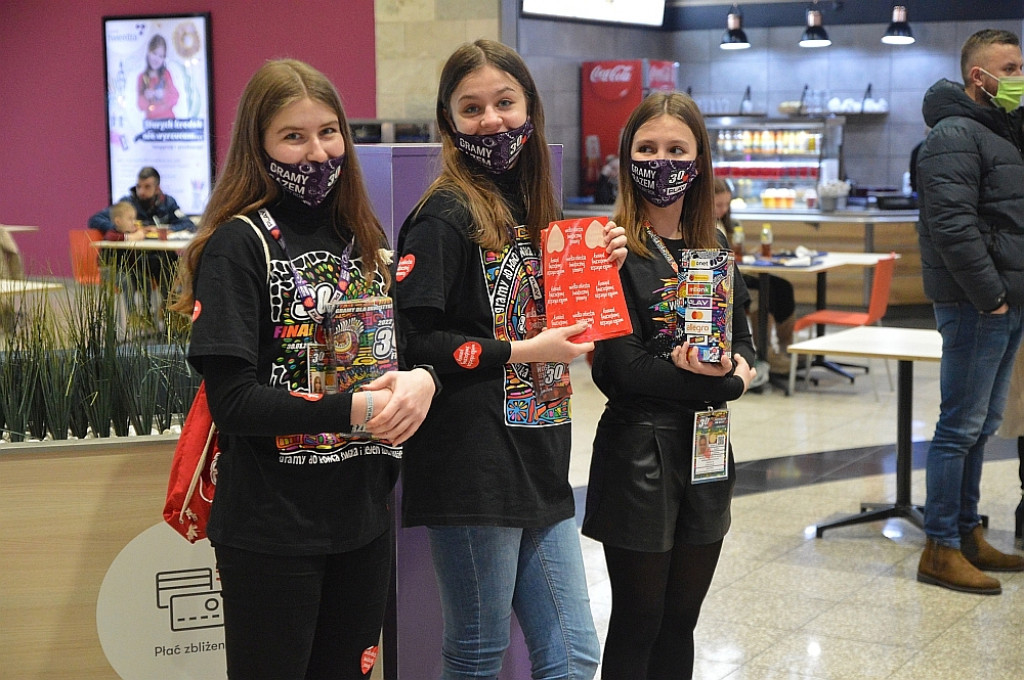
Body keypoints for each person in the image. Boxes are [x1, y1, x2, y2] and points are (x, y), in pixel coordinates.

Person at [169, 58, 438, 679]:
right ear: (258, 147)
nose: (317, 153)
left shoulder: (364, 237)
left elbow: (404, 352)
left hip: (363, 519)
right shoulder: (239, 245)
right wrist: (355, 410)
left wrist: (423, 380)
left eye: (328, 133)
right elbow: (233, 401)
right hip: (272, 530)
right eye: (294, 136)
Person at [394, 39, 626, 680]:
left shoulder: (536, 213)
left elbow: (563, 314)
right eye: (471, 109)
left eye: (504, 102)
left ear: (530, 109)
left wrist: (602, 264)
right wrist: (526, 351)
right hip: (472, 466)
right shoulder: (442, 218)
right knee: (476, 653)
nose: (491, 120)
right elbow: (415, 342)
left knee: (575, 655)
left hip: (540, 457)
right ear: (449, 123)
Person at [582, 91, 756, 680]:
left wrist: (739, 371)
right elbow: (619, 370)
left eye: (676, 149)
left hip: (708, 449)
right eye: (647, 148)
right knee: (640, 618)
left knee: (682, 620)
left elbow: (745, 343)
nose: (662, 161)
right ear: (627, 159)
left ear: (699, 160)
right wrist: (722, 383)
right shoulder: (608, 250)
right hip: (640, 452)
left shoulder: (716, 247)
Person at [915, 28, 1024, 595]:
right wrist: (992, 296)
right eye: (1009, 69)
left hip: (1002, 303)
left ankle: (965, 531)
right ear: (978, 78)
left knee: (980, 428)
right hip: (978, 304)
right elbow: (953, 228)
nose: (1019, 78)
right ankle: (939, 546)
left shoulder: (997, 131)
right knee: (958, 428)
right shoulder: (955, 133)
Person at [714, 177, 797, 375]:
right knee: (764, 293)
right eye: (719, 205)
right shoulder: (702, 225)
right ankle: (765, 353)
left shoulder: (727, 223)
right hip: (722, 280)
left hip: (736, 270)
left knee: (783, 287)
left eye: (727, 204)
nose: (723, 209)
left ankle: (786, 348)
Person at [88, 166, 194, 316]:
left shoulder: (168, 203)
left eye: (147, 187)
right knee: (147, 275)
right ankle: (146, 317)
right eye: (139, 186)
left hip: (156, 258)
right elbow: (95, 219)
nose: (141, 191)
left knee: (172, 264)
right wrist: (125, 229)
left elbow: (188, 224)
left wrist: (169, 228)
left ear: (157, 188)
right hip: (134, 261)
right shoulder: (127, 204)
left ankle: (168, 314)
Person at [137, 34, 179, 119]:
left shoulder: (166, 74)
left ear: (164, 59)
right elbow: (141, 106)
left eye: (161, 56)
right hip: (152, 123)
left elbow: (175, 97)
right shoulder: (142, 77)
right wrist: (145, 97)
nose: (156, 59)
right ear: (148, 52)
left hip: (168, 121)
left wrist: (164, 94)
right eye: (154, 53)